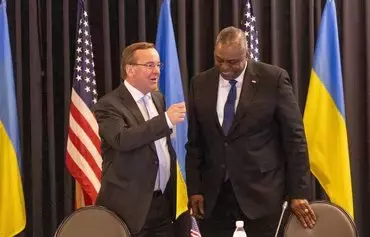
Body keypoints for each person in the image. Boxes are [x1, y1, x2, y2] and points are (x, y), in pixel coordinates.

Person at [186, 26, 316, 237]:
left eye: (233, 62)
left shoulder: (273, 79)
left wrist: (299, 191)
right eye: (219, 60)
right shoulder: (200, 83)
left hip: (262, 193)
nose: (225, 67)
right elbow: (195, 142)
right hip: (214, 196)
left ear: (247, 55)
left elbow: (295, 139)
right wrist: (195, 188)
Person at [93, 42, 186, 237]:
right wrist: (166, 120)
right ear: (130, 70)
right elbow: (122, 139)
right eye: (149, 65)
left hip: (162, 207)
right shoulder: (109, 105)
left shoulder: (157, 99)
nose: (157, 71)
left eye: (159, 65)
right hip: (129, 209)